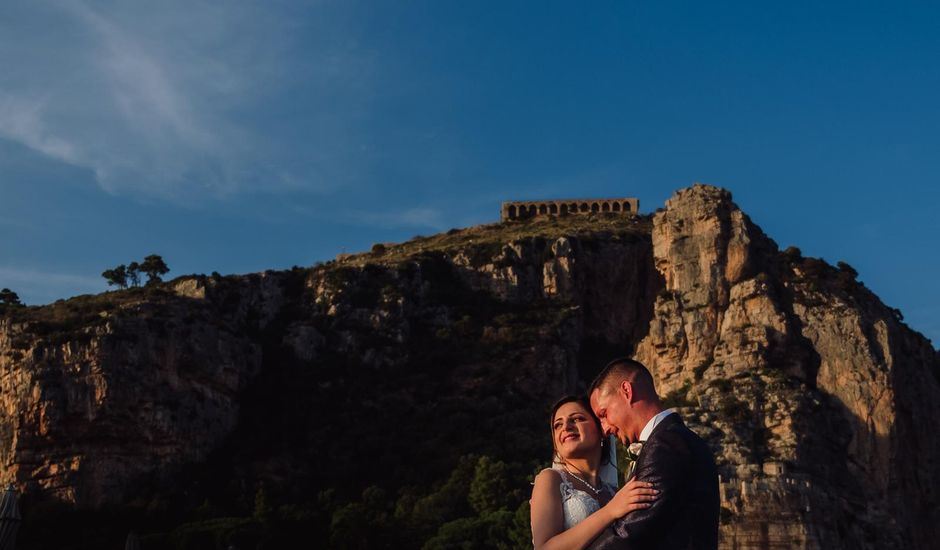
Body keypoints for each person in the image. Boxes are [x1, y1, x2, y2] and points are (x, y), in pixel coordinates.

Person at [587, 358, 719, 550]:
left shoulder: (666, 444)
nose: (605, 429)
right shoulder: (676, 439)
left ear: (626, 391)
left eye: (603, 414)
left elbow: (630, 534)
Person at [530, 395, 660, 550]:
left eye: (577, 419)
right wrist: (610, 511)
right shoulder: (551, 479)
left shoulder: (613, 493)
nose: (565, 427)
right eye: (557, 425)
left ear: (601, 429)